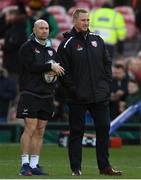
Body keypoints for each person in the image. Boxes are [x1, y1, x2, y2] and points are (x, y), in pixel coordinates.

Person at [57, 8, 122, 176]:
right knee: (76, 132)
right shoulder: (67, 43)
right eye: (83, 20)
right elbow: (62, 72)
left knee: (103, 129)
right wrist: (74, 90)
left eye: (88, 20)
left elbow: (107, 64)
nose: (86, 23)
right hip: (77, 97)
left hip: (99, 95)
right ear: (75, 21)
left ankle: (104, 167)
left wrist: (105, 86)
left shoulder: (97, 40)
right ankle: (76, 168)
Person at [16, 19, 64, 176]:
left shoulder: (51, 51)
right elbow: (30, 67)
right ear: (34, 30)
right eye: (41, 28)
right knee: (29, 128)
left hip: (47, 94)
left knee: (40, 131)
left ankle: (34, 165)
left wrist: (54, 72)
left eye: (47, 28)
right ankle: (24, 165)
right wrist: (50, 67)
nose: (44, 31)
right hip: (30, 93)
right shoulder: (27, 47)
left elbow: (55, 70)